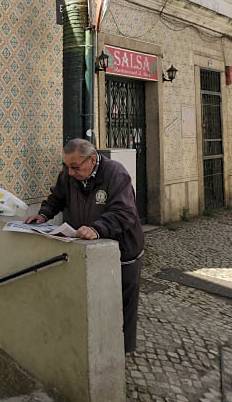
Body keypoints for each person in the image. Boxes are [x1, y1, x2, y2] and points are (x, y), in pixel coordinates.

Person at [24, 138, 144, 353]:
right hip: (87, 248)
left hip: (123, 250)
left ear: (91, 159)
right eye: (67, 167)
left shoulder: (115, 173)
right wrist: (43, 215)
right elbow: (57, 198)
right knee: (93, 298)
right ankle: (94, 344)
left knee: (122, 302)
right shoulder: (70, 175)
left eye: (75, 167)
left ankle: (122, 350)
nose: (70, 172)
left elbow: (124, 212)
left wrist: (97, 228)